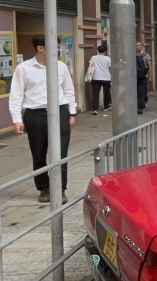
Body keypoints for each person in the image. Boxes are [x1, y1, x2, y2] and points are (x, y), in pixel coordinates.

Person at [9, 35, 77, 204]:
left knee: (60, 153)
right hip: (35, 114)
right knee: (39, 153)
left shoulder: (61, 67)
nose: (57, 50)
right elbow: (16, 94)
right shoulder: (23, 68)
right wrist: (17, 119)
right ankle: (44, 188)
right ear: (40, 48)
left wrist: (72, 112)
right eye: (53, 47)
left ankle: (60, 189)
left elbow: (68, 90)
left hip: (60, 112)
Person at [89, 44, 112, 115]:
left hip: (96, 77)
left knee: (95, 93)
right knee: (106, 92)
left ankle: (95, 109)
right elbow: (110, 67)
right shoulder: (108, 58)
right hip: (106, 78)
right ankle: (106, 107)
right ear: (105, 51)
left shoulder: (93, 57)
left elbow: (90, 65)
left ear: (98, 51)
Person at [135, 42, 151, 115]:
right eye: (137, 45)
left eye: (140, 45)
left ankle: (140, 107)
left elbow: (149, 65)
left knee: (142, 91)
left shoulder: (146, 55)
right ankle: (139, 105)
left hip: (144, 76)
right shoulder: (131, 54)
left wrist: (150, 76)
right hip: (134, 77)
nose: (139, 47)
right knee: (137, 91)